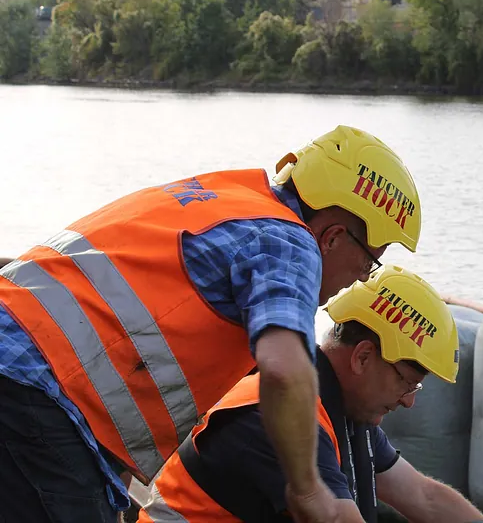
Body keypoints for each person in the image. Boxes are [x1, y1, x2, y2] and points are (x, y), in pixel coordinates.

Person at [0, 125, 422, 523]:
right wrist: (309, 491)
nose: (363, 277)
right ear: (332, 237)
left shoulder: (220, 195)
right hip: (38, 393)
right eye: (369, 261)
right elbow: (284, 367)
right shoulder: (290, 243)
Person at [137, 265, 483, 523]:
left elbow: (423, 496)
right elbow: (336, 517)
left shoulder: (346, 412)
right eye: (406, 382)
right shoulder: (277, 415)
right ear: (363, 357)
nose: (409, 400)